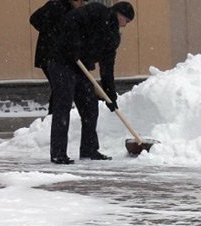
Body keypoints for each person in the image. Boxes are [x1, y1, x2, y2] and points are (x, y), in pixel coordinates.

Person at [44, 1, 135, 164]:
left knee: (90, 107)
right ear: (119, 13)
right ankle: (58, 153)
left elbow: (107, 67)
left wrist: (110, 94)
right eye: (127, 20)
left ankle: (89, 150)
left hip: (81, 67)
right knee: (63, 105)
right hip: (62, 61)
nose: (126, 25)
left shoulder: (113, 37)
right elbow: (71, 20)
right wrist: (72, 45)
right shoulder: (96, 10)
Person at [30, 0, 88, 115]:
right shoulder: (56, 5)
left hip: (62, 57)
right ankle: (54, 118)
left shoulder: (73, 12)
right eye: (81, 1)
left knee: (60, 88)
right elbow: (34, 19)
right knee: (60, 88)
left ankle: (54, 118)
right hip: (49, 55)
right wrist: (53, 33)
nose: (82, 4)